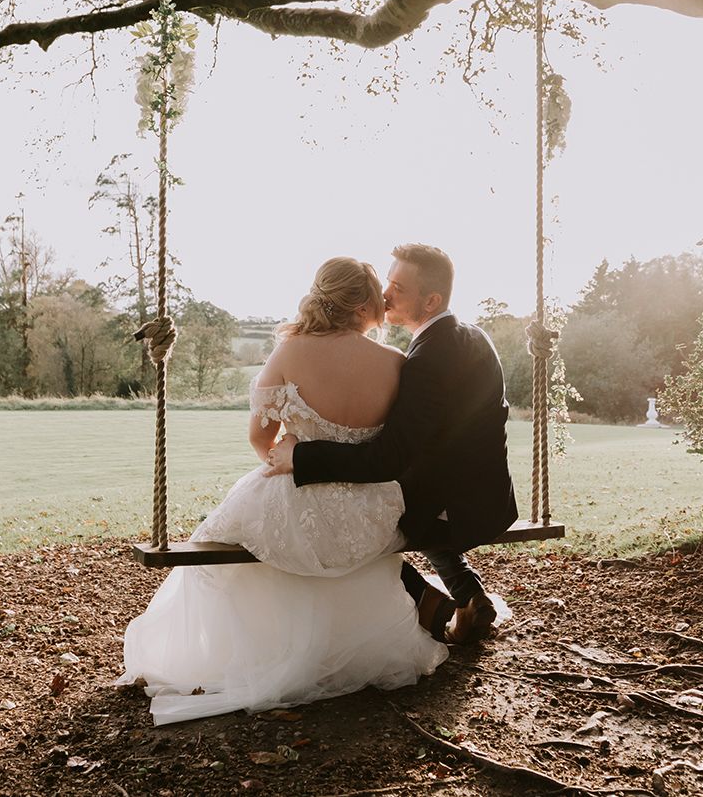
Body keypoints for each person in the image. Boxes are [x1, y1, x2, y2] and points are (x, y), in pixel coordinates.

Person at [116, 257, 449, 724]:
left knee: (240, 536)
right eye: (379, 292)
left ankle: (275, 653)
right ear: (360, 307)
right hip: (371, 509)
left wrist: (286, 455)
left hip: (298, 494)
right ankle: (350, 649)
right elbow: (400, 445)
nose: (386, 301)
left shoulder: (291, 352)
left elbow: (259, 437)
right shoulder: (397, 363)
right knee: (330, 545)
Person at [266, 243, 518, 646]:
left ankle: (428, 604)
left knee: (348, 520)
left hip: (453, 508)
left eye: (398, 287)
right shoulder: (472, 337)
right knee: (383, 504)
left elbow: (387, 459)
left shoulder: (426, 361)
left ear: (431, 300)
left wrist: (301, 455)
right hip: (489, 497)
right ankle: (471, 594)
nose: (384, 294)